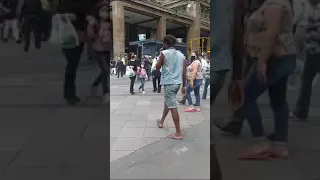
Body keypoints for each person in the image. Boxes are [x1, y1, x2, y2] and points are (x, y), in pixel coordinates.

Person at [216, 0, 296, 159]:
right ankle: (281, 144)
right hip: (282, 57)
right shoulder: (277, 3)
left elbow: (271, 34)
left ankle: (260, 140)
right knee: (278, 100)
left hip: (274, 58)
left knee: (246, 97)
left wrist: (262, 62)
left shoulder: (275, 5)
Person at [292, 0, 320, 121]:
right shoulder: (313, 9)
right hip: (313, 50)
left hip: (315, 51)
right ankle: (300, 111)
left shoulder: (316, 11)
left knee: (307, 80)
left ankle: (301, 112)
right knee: (306, 80)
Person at [57, 0, 88, 105]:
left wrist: (77, 18)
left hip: (79, 36)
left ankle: (69, 94)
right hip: (67, 37)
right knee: (71, 65)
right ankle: (70, 94)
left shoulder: (82, 3)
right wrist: (66, 17)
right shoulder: (62, 3)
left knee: (73, 66)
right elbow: (56, 17)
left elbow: (85, 17)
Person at [156, 34, 186, 140]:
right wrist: (184, 85)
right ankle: (162, 121)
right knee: (168, 103)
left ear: (166, 43)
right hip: (177, 83)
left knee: (172, 107)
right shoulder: (181, 55)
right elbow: (184, 72)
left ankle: (178, 133)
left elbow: (157, 66)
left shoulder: (164, 53)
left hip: (169, 83)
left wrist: (161, 54)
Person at [87, 1, 110, 101]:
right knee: (105, 70)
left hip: (108, 50)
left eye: (107, 11)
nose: (105, 13)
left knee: (106, 71)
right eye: (102, 10)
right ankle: (106, 92)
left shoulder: (110, 23)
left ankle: (95, 84)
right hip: (98, 50)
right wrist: (91, 26)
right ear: (98, 11)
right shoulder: (95, 23)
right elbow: (90, 35)